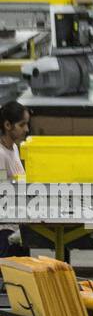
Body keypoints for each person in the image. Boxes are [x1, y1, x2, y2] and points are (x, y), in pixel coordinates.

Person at [0, 101, 29, 256]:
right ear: (7, 125)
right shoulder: (1, 154)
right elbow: (2, 192)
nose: (27, 129)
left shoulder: (15, 148)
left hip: (18, 227)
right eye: (22, 124)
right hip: (5, 233)